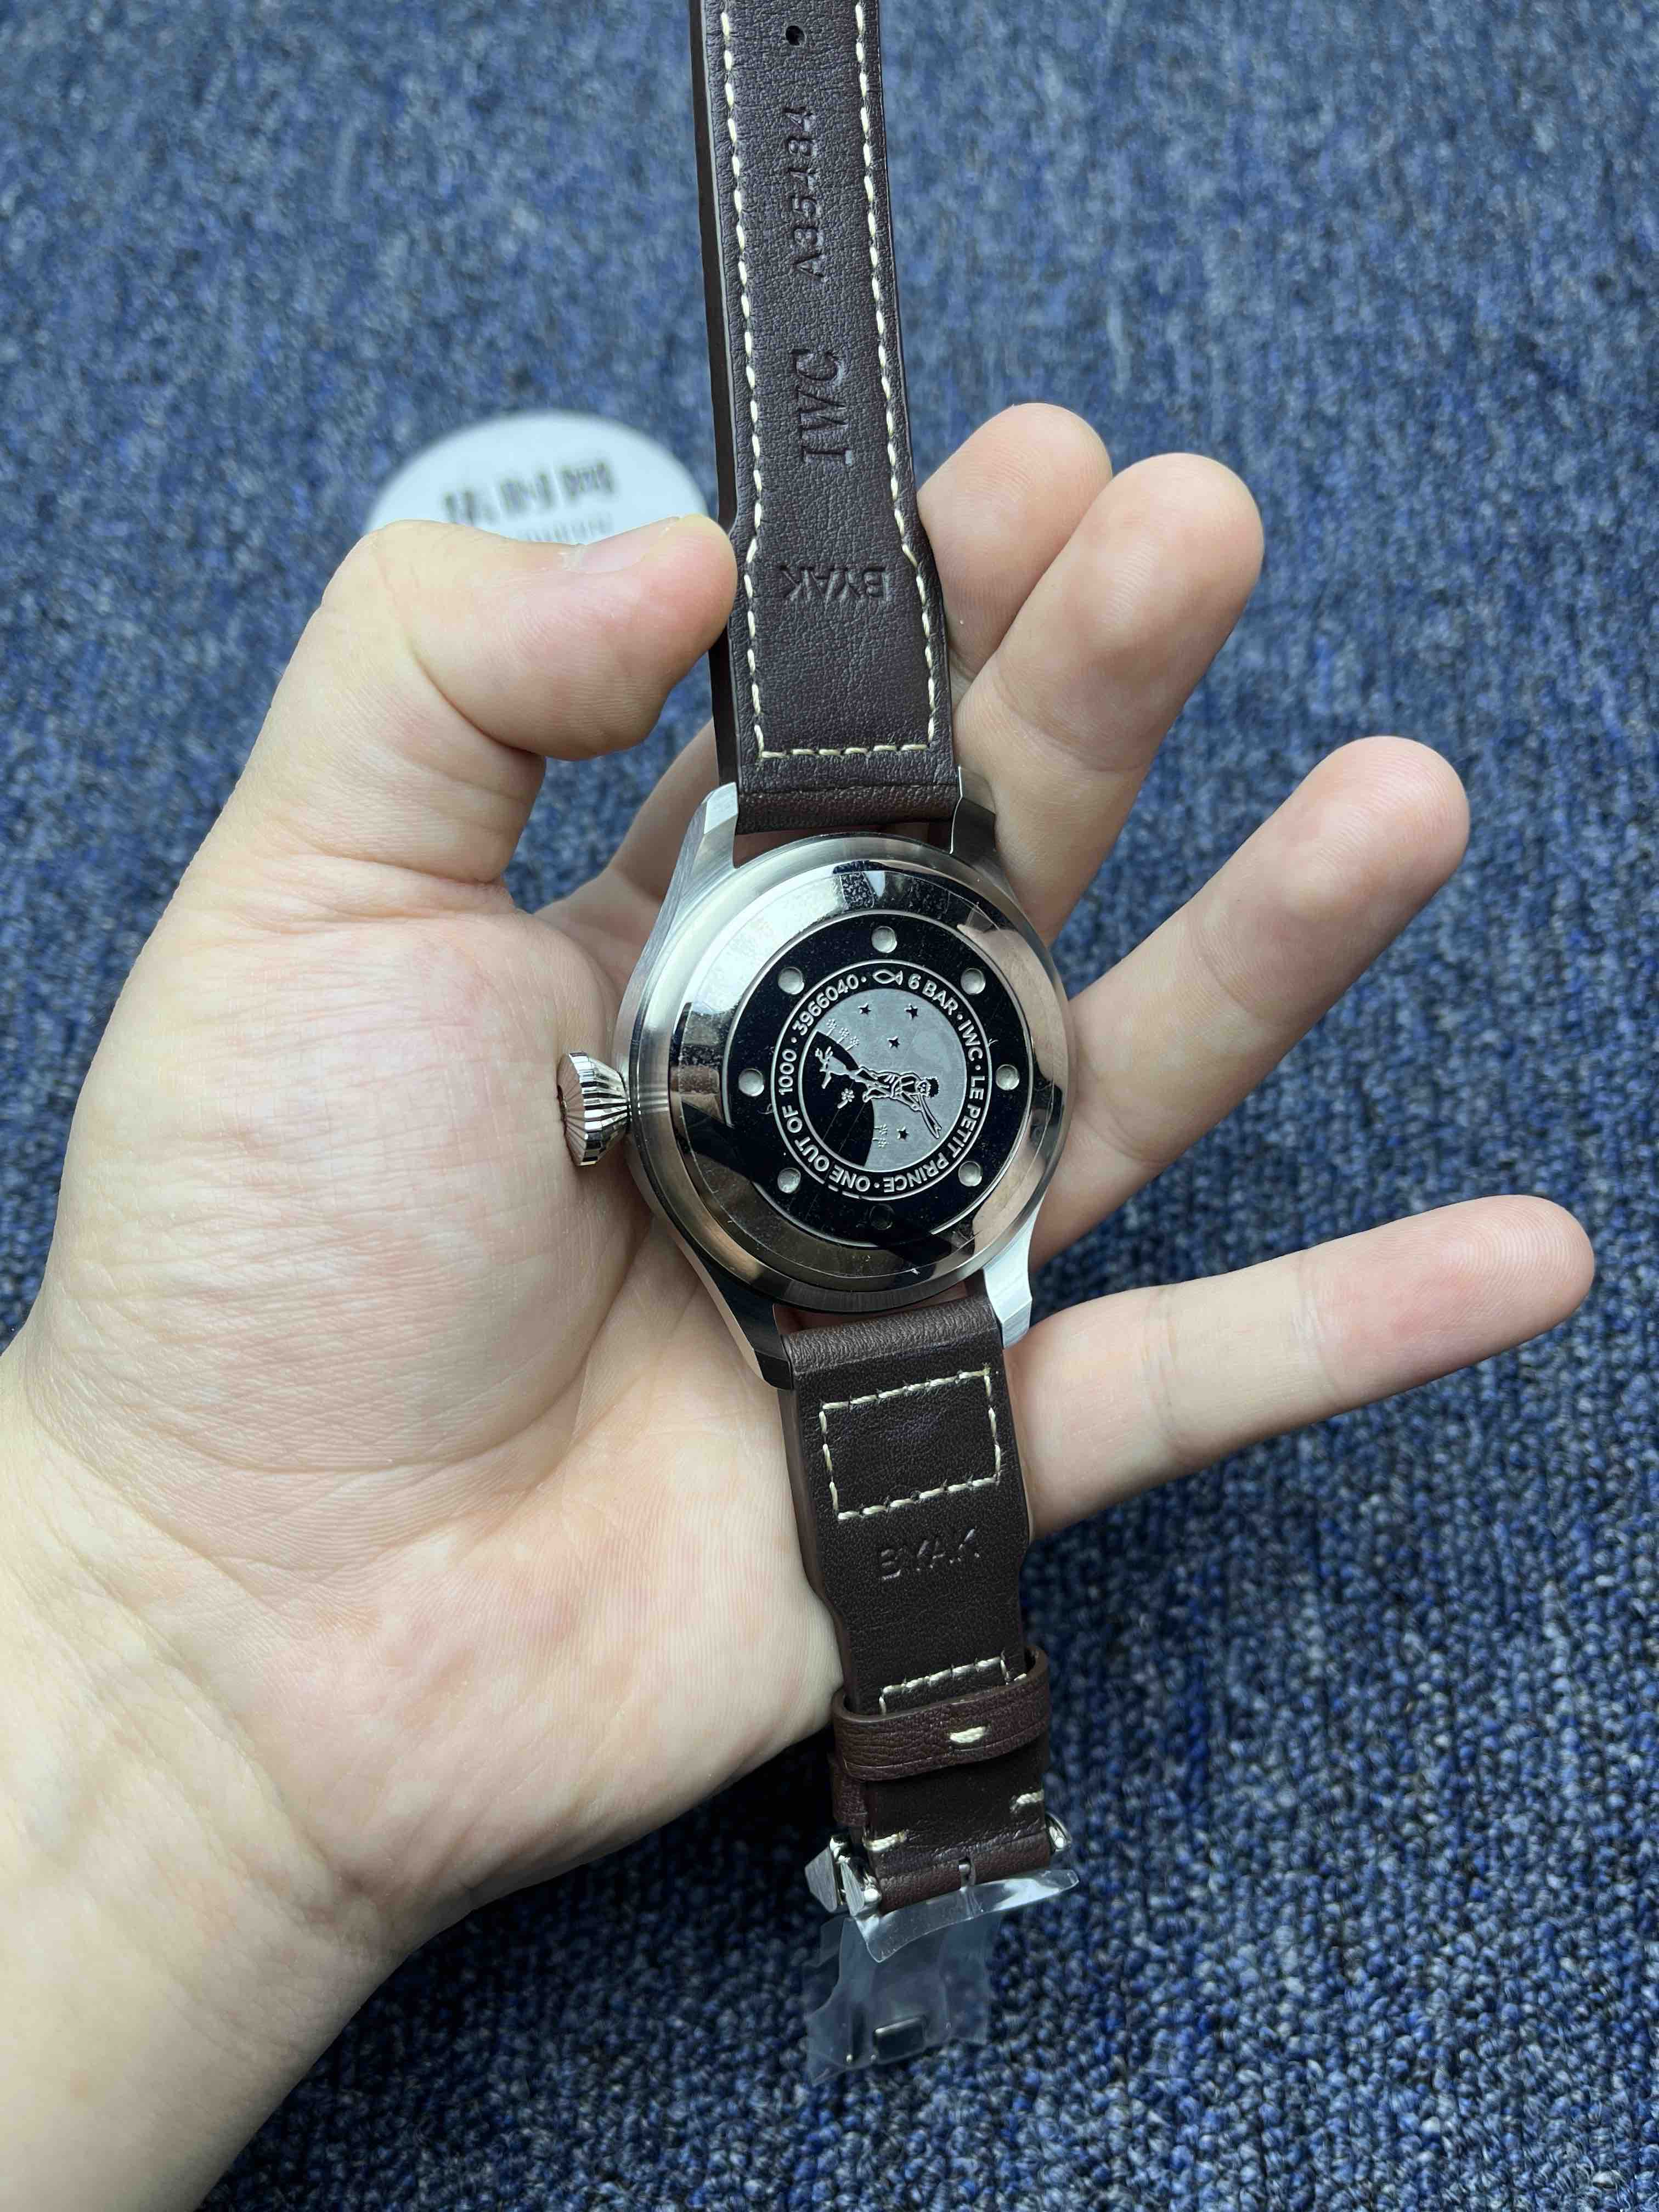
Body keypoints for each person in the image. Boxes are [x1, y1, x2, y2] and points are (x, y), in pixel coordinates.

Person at [0, 408, 1593, 2211]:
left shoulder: (912, 1019)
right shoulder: (693, 1078)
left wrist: (152, 1712)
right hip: (840, 1261)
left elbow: (984, 1065)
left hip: (920, 1233)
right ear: (619, 1108)